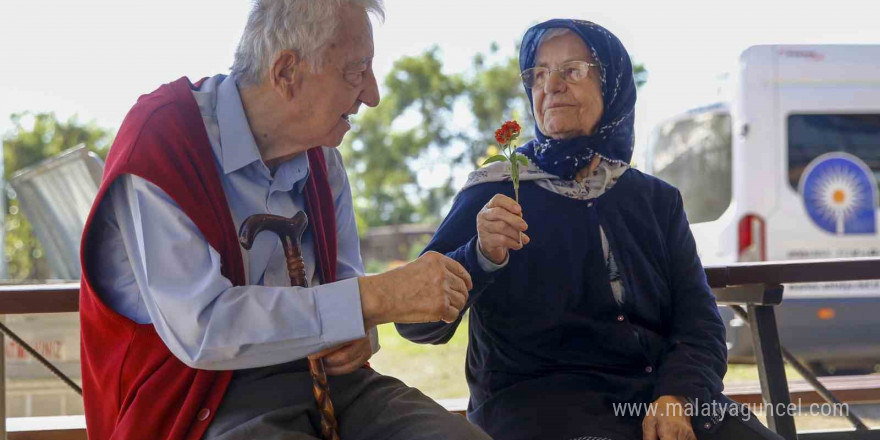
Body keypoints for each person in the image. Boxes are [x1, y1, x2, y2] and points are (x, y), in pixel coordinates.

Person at [78, 1, 490, 439]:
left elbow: (346, 289)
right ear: (287, 72)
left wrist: (361, 331)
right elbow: (203, 329)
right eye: (356, 71)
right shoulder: (163, 142)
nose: (372, 94)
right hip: (201, 398)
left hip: (330, 384)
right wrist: (369, 301)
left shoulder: (323, 160)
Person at [397, 19, 783, 440]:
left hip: (661, 398)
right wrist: (480, 254)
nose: (552, 85)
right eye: (539, 73)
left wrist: (679, 395)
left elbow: (700, 324)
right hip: (543, 410)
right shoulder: (494, 192)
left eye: (572, 70)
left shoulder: (656, 201)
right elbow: (417, 326)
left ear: (612, 85)